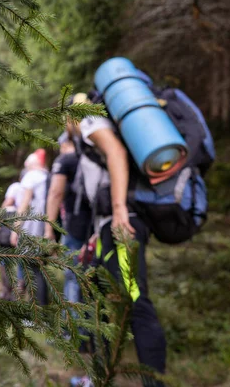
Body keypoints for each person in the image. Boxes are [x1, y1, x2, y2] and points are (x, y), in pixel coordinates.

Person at [71, 91, 167, 386]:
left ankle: (153, 383)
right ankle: (99, 377)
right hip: (107, 229)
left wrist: (119, 209)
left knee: (134, 301)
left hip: (121, 225)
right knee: (100, 299)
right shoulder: (94, 128)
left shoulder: (88, 120)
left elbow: (116, 153)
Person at [44, 132, 91, 307]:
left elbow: (55, 193)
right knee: (91, 276)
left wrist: (49, 230)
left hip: (75, 226)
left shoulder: (65, 160)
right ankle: (92, 326)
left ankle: (73, 329)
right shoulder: (90, 157)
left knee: (72, 275)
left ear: (64, 144)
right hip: (95, 226)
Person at [14, 149, 50, 306]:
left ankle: (36, 310)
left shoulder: (31, 177)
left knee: (31, 270)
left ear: (30, 165)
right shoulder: (46, 176)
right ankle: (43, 306)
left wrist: (16, 227)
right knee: (39, 269)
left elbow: (24, 203)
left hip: (30, 228)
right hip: (44, 226)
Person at [0, 171, 26, 300]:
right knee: (21, 258)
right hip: (25, 224)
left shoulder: (15, 187)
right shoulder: (30, 187)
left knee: (4, 257)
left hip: (10, 224)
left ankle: (6, 289)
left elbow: (8, 202)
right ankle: (20, 289)